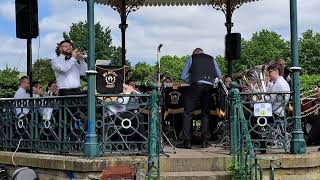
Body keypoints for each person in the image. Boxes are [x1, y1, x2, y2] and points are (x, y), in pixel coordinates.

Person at [177, 48, 221, 149]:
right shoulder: (212, 59)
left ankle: (187, 142)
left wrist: (192, 80)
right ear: (202, 52)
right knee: (205, 113)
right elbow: (219, 75)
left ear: (194, 53)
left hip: (195, 85)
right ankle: (205, 141)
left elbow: (183, 76)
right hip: (209, 87)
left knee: (188, 113)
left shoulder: (191, 58)